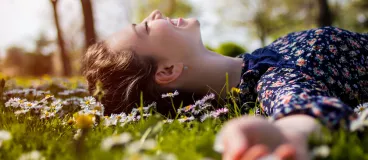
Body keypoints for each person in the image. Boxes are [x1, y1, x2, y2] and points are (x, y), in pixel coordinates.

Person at [82, 10, 368, 160]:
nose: (155, 13)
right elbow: (303, 109)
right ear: (167, 71)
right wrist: (284, 137)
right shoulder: (270, 81)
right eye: (144, 28)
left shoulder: (260, 59)